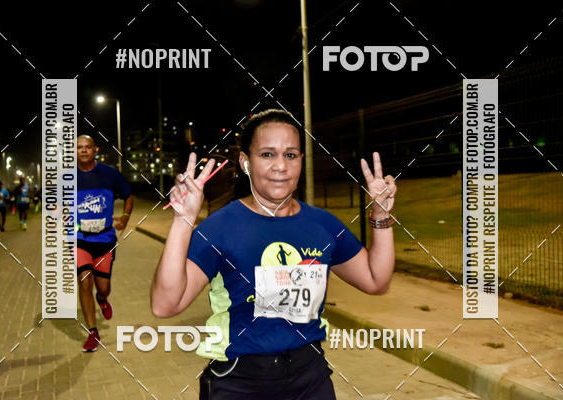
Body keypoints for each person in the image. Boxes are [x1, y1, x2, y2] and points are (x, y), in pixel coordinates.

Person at [151, 109, 397, 400]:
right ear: (246, 162)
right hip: (240, 381)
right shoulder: (220, 228)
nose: (281, 166)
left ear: (301, 161)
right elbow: (165, 305)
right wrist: (183, 221)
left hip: (311, 378)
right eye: (267, 154)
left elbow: (376, 280)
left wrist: (381, 215)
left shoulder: (322, 225)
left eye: (290, 155)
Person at [76, 134, 133, 352]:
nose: (83, 150)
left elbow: (129, 196)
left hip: (105, 240)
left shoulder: (110, 174)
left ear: (95, 150)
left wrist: (125, 217)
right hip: (80, 240)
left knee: (103, 288)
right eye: (79, 147)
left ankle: (102, 299)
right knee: (85, 281)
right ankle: (93, 332)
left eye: (87, 147)